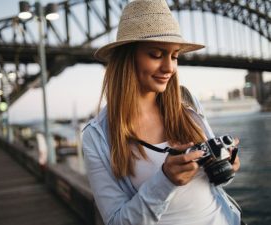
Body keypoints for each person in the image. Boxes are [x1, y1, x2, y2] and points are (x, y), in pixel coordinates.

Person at [82, 0, 241, 224]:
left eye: (174, 56)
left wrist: (225, 165)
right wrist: (165, 180)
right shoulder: (96, 137)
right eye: (156, 55)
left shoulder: (188, 103)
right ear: (127, 59)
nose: (169, 68)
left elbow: (205, 187)